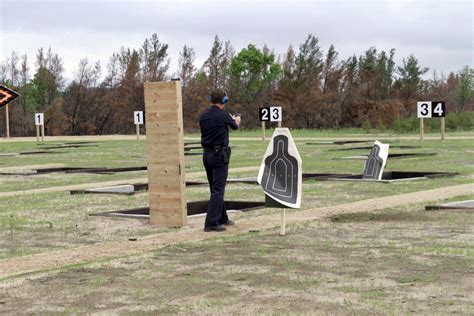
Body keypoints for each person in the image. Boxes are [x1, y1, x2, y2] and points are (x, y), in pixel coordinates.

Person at [199, 88, 241, 232]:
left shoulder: (203, 115)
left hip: (206, 155)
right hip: (218, 156)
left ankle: (222, 217)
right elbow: (235, 126)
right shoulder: (223, 115)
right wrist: (236, 119)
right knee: (218, 189)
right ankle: (211, 223)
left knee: (214, 188)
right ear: (224, 101)